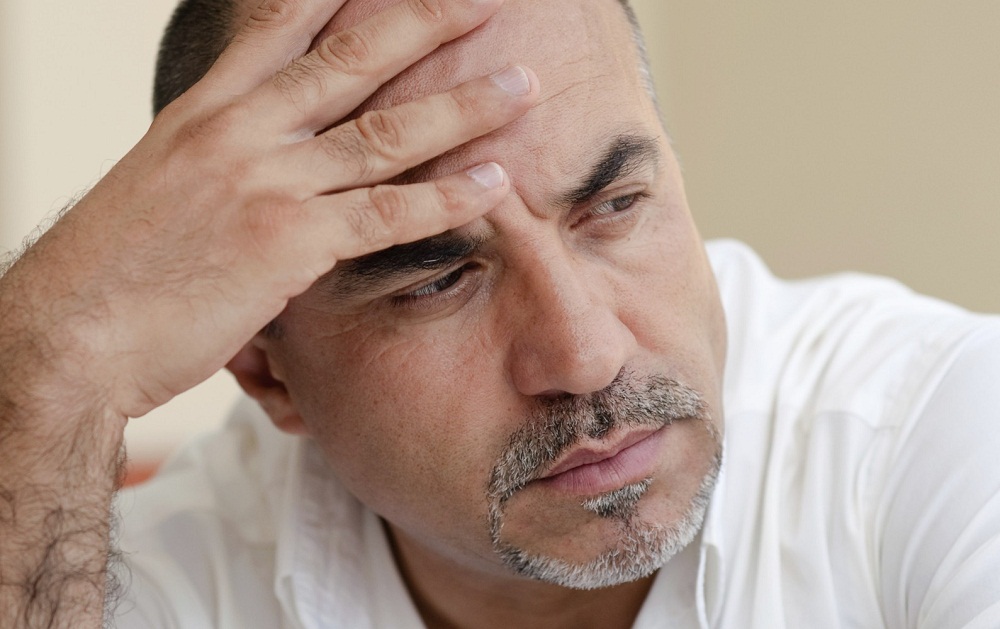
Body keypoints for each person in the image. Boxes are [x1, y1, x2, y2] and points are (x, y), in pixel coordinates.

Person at [1, 0, 998, 627]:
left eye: (614, 206)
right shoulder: (161, 572)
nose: (586, 354)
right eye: (437, 280)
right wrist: (46, 356)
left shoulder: (929, 431)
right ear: (270, 370)